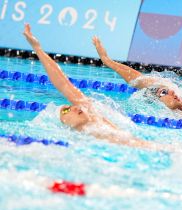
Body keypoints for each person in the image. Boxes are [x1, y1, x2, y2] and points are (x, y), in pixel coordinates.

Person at [23, 23, 165, 151]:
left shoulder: (94, 119)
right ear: (63, 123)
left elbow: (63, 83)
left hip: (148, 148)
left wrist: (38, 49)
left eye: (71, 105)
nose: (75, 107)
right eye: (66, 110)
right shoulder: (78, 140)